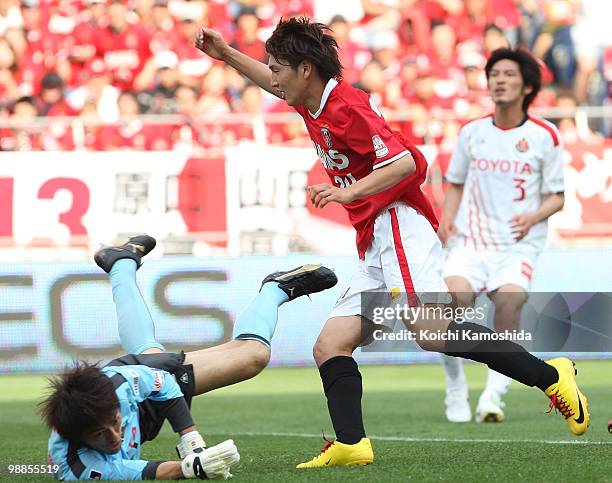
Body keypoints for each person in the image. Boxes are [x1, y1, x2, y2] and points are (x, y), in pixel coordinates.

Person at [194, 17, 589, 468]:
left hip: (398, 223)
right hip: (376, 237)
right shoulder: (311, 101)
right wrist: (225, 53)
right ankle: (352, 444)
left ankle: (550, 376)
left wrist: (349, 191)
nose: (274, 78)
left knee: (430, 333)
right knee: (330, 344)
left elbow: (406, 164)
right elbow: (271, 82)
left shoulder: (346, 106)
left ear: (306, 69)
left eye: (280, 69)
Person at [39, 235, 337, 480]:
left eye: (115, 423)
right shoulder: (80, 469)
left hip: (142, 382)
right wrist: (191, 467)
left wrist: (191, 442)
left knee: (253, 355)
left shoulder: (119, 385)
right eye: (98, 434)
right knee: (145, 346)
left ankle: (275, 288)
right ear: (76, 436)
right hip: (133, 389)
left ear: (117, 407)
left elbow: (163, 383)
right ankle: (120, 264)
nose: (114, 437)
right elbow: (144, 471)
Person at [437, 47, 566, 424]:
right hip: (471, 243)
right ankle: (456, 387)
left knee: (508, 309)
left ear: (527, 86)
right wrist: (447, 219)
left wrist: (533, 216)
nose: (500, 80)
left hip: (517, 246)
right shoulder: (471, 132)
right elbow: (456, 183)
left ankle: (493, 396)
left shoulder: (546, 135)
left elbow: (558, 197)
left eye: (509, 74)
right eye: (494, 74)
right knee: (446, 308)